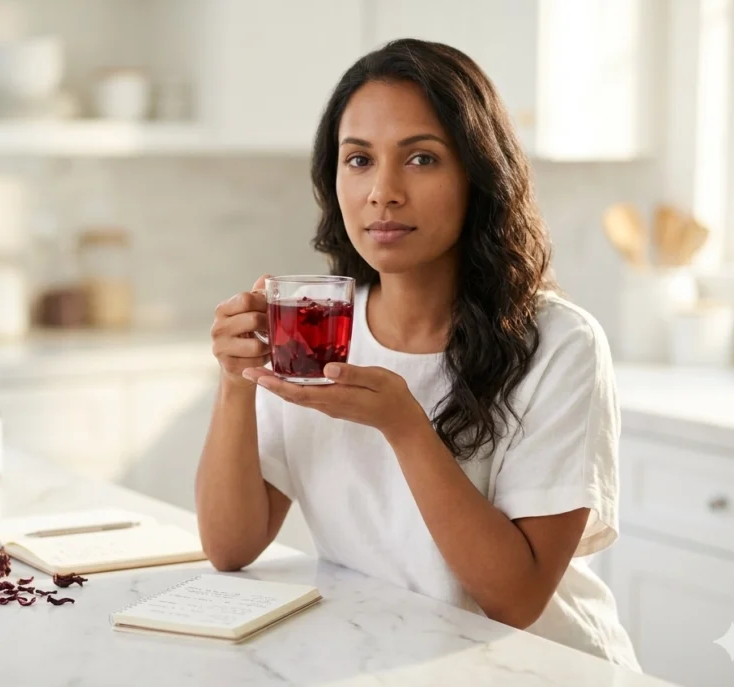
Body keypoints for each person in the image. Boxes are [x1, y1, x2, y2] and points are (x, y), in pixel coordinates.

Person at [195, 38, 640, 671]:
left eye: (422, 158)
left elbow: (515, 600)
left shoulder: (560, 345)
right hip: (389, 658)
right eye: (358, 160)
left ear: (477, 175)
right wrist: (236, 382)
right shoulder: (318, 331)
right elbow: (230, 547)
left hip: (543, 668)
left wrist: (405, 427)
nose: (383, 192)